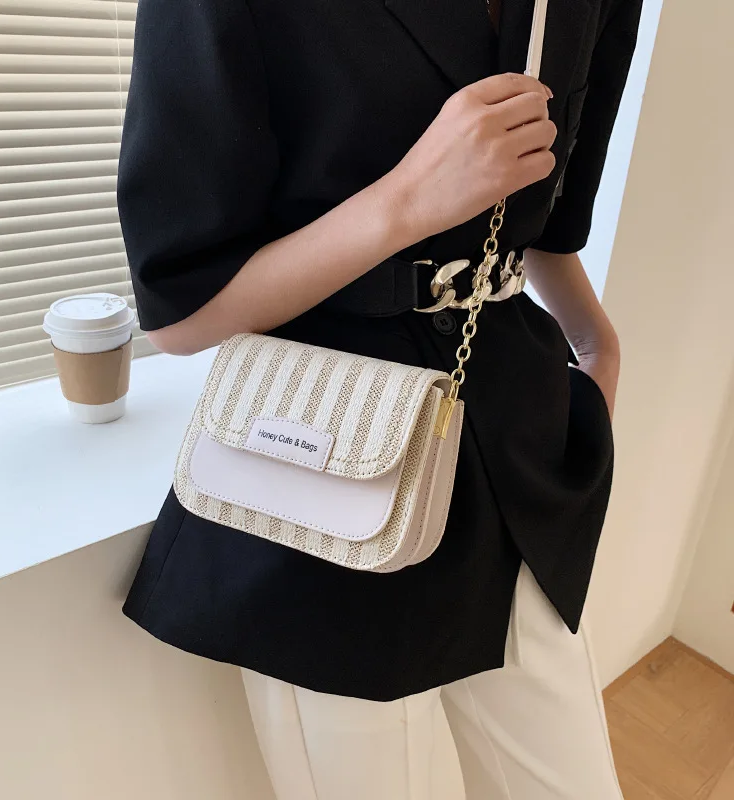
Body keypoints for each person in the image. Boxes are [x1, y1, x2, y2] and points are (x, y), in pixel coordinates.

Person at [117, 0, 643, 797]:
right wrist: (406, 202)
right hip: (326, 464)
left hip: (514, 448)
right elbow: (181, 316)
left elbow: (544, 219)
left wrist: (598, 344)